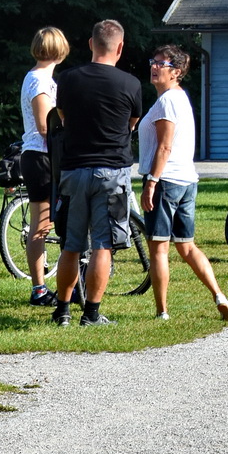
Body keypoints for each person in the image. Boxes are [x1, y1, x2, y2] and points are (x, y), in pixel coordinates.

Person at [51, 19, 143, 328]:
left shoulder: (67, 79)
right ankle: (91, 313)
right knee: (103, 243)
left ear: (91, 44)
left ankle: (62, 310)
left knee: (71, 244)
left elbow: (61, 118)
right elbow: (131, 125)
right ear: (120, 47)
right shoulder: (130, 84)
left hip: (73, 170)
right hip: (112, 172)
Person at [139, 44, 228, 322]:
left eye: (162, 64)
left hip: (166, 180)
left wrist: (151, 182)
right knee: (187, 247)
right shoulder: (180, 97)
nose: (155, 66)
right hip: (186, 181)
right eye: (153, 61)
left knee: (159, 247)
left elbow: (164, 147)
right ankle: (218, 295)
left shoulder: (168, 101)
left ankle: (162, 312)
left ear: (177, 72)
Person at [19, 25, 70, 307]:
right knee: (41, 226)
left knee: (48, 224)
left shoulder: (40, 78)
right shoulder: (39, 81)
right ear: (59, 51)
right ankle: (39, 289)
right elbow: (44, 126)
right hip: (41, 156)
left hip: (42, 155)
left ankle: (48, 284)